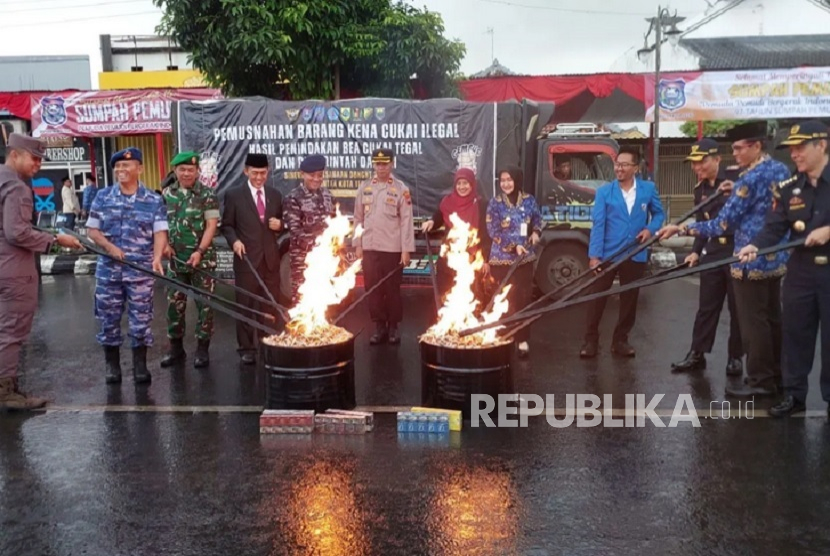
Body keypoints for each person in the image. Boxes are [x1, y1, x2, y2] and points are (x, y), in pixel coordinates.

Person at [659, 121, 791, 397]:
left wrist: (681, 228)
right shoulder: (779, 169)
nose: (737, 154)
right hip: (773, 256)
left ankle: (759, 381)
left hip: (747, 260)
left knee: (752, 324)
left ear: (756, 146)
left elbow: (721, 224)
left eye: (740, 148)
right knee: (771, 321)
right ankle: (776, 376)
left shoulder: (749, 178)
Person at [737, 121, 830, 416]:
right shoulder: (789, 188)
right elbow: (774, 227)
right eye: (792, 148)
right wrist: (755, 246)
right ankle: (794, 394)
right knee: (795, 335)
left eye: (801, 147)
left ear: (822, 145)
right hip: (801, 272)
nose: (795, 154)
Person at [0, 133, 81, 410]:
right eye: (34, 158)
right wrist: (55, 240)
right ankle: (5, 392)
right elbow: (16, 232)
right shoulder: (17, 188)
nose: (38, 165)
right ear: (15, 154)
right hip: (14, 270)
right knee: (12, 331)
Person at [86, 147, 168, 385]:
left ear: (139, 169)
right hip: (109, 271)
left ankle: (139, 366)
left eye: (126, 166)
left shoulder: (153, 200)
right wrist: (110, 247)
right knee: (108, 318)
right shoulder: (102, 197)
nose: (121, 170)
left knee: (141, 319)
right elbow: (92, 230)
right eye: (117, 167)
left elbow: (160, 232)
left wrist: (156, 258)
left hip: (140, 270)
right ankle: (112, 367)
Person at [580, 147, 665, 359]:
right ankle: (590, 341)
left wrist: (650, 229)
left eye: (624, 165)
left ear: (635, 168)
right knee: (597, 297)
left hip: (635, 253)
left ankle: (620, 340)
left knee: (629, 299)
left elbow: (659, 214)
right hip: (608, 254)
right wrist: (594, 256)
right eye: (617, 164)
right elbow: (598, 224)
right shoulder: (604, 192)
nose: (619, 168)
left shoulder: (647, 189)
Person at [670, 139, 743, 376]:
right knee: (707, 307)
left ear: (717, 159)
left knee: (737, 308)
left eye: (701, 161)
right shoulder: (699, 189)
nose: (696, 167)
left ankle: (735, 357)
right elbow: (702, 224)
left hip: (736, 250)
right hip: (713, 251)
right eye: (693, 163)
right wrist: (694, 251)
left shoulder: (736, 181)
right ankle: (697, 353)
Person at [221, 153, 283, 364]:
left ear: (268, 172)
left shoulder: (275, 194)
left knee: (270, 304)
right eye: (255, 173)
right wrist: (234, 241)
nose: (259, 177)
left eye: (263, 173)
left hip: (270, 260)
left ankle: (268, 342)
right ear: (245, 171)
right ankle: (247, 348)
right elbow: (227, 225)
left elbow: (281, 222)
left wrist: (280, 225)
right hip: (246, 259)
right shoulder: (234, 195)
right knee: (246, 304)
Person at [160, 151, 220, 369]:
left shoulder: (207, 195)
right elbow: (160, 225)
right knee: (174, 306)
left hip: (201, 261)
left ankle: (202, 350)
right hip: (176, 262)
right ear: (175, 170)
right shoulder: (167, 194)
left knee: (205, 307)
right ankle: (176, 349)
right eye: (182, 169)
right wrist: (164, 245)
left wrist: (200, 251)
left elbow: (211, 225)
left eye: (191, 170)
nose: (187, 173)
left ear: (197, 171)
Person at [353, 148, 415, 345]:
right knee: (372, 289)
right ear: (373, 164)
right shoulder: (364, 188)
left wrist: (406, 250)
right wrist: (358, 244)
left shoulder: (401, 189)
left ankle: (393, 327)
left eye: (385, 163)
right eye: (378, 163)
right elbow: (358, 218)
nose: (381, 167)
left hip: (392, 249)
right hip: (370, 247)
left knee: (392, 289)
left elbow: (406, 221)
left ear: (391, 164)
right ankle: (379, 327)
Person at [486, 166, 543, 357]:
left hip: (524, 259)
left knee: (522, 299)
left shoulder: (529, 200)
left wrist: (536, 233)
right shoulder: (495, 203)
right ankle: (502, 337)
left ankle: (522, 339)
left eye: (509, 179)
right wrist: (513, 247)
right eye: (502, 180)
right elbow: (493, 230)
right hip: (501, 260)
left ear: (517, 180)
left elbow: (537, 220)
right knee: (502, 299)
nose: (506, 184)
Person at [421, 167, 491, 301]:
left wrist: (486, 259)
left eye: (465, 183)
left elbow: (486, 234)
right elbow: (439, 216)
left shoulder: (482, 204)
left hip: (472, 260)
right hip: (449, 260)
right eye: (459, 183)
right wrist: (431, 222)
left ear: (472, 184)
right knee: (446, 297)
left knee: (471, 300)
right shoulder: (448, 202)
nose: (462, 187)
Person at [284, 153, 335, 306]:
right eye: (312, 175)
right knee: (302, 300)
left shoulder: (328, 195)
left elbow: (333, 223)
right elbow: (295, 231)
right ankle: (301, 330)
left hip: (325, 258)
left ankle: (321, 329)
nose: (316, 179)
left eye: (320, 175)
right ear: (303, 174)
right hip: (303, 259)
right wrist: (317, 246)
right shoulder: (293, 198)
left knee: (323, 299)